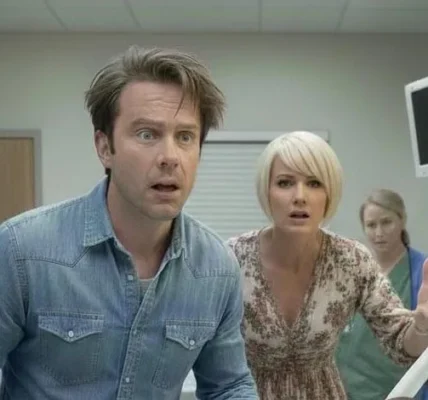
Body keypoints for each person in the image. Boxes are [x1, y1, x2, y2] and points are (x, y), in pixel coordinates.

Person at [0, 45, 257, 400]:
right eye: (147, 134)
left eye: (185, 137)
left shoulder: (216, 267)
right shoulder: (22, 250)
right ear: (105, 147)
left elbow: (228, 386)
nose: (170, 157)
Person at [227, 131, 428, 400]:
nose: (300, 196)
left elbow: (401, 343)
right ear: (267, 191)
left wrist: (422, 326)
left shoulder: (351, 260)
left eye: (314, 183)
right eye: (285, 183)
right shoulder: (232, 259)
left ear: (329, 193)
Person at [336, 189, 428, 400]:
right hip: (347, 391)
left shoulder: (420, 274)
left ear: (402, 220)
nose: (379, 232)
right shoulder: (353, 271)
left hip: (399, 392)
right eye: (371, 225)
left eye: (386, 222)